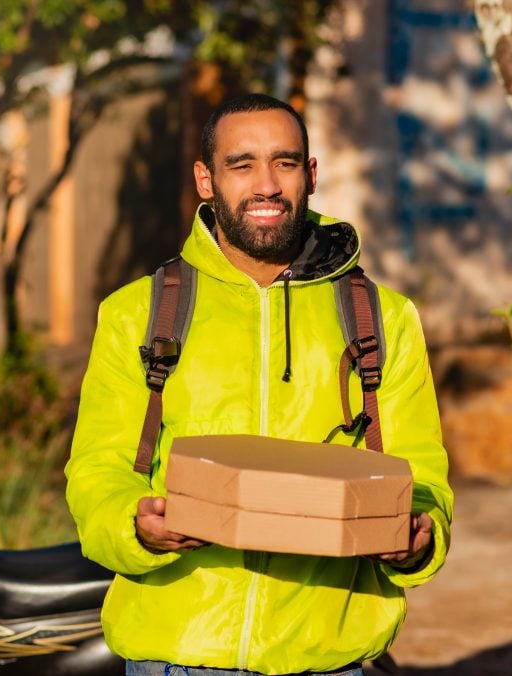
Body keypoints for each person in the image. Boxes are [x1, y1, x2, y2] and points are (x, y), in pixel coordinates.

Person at [64, 93, 453, 676]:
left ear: (311, 174)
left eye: (286, 162)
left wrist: (418, 539)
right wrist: (135, 525)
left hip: (328, 658)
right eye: (241, 164)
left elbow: (421, 476)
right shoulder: (138, 313)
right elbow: (97, 471)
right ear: (205, 178)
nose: (266, 184)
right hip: (177, 656)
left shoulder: (383, 317)